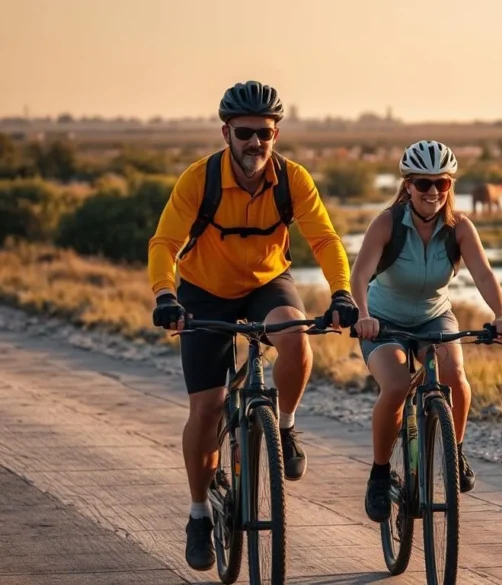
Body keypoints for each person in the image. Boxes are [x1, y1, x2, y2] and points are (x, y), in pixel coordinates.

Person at [147, 80, 359, 571]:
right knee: (207, 409)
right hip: (204, 292)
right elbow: (164, 243)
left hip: (268, 282)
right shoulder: (198, 180)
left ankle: (283, 427)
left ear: (276, 135)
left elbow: (325, 239)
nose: (255, 143)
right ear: (226, 132)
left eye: (265, 133)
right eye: (244, 133)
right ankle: (200, 513)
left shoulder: (292, 180)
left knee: (297, 341)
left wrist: (342, 292)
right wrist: (165, 294)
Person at [349, 140, 502, 522]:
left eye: (441, 184)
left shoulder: (459, 227)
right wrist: (362, 313)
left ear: (450, 185)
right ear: (407, 185)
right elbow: (360, 274)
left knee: (455, 375)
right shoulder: (388, 222)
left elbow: (484, 274)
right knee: (394, 386)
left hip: (434, 316)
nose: (432, 192)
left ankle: (454, 452)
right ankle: (379, 474)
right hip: (383, 318)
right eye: (423, 184)